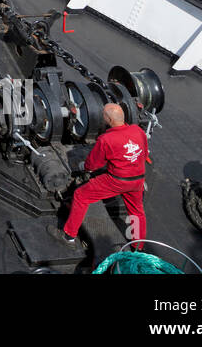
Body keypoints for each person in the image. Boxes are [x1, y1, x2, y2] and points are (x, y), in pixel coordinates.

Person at [61, 103, 148, 246]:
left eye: (103, 116)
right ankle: (137, 246)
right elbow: (143, 154)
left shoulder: (106, 139)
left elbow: (93, 165)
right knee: (136, 211)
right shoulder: (138, 130)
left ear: (109, 119)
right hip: (137, 179)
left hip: (116, 181)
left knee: (81, 196)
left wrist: (83, 166)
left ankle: (69, 235)